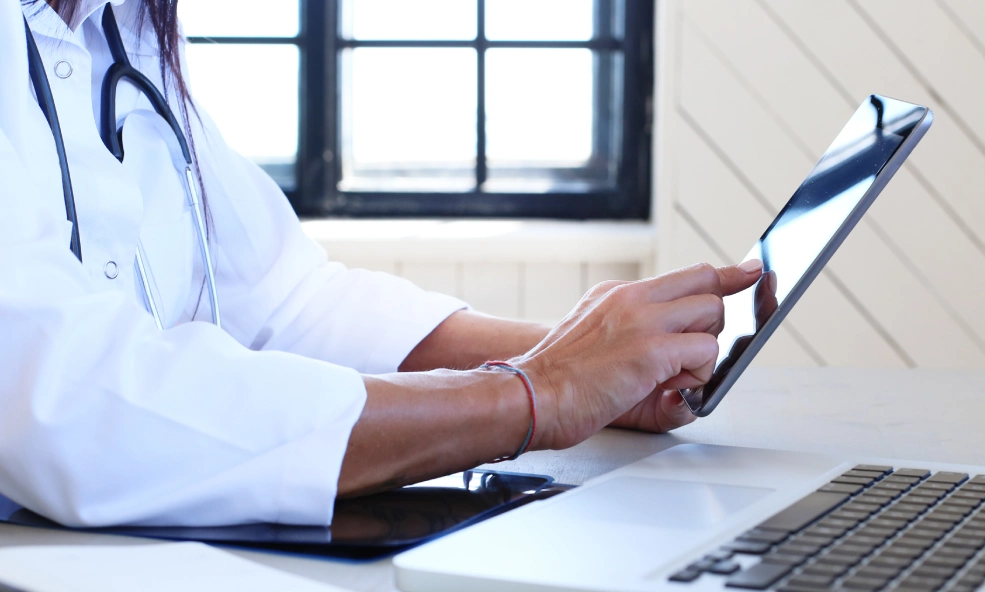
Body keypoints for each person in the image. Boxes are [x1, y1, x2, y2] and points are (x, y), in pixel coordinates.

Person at [1, 0, 763, 527]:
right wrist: (536, 394)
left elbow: (286, 304)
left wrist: (598, 371)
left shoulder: (118, 26)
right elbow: (64, 399)